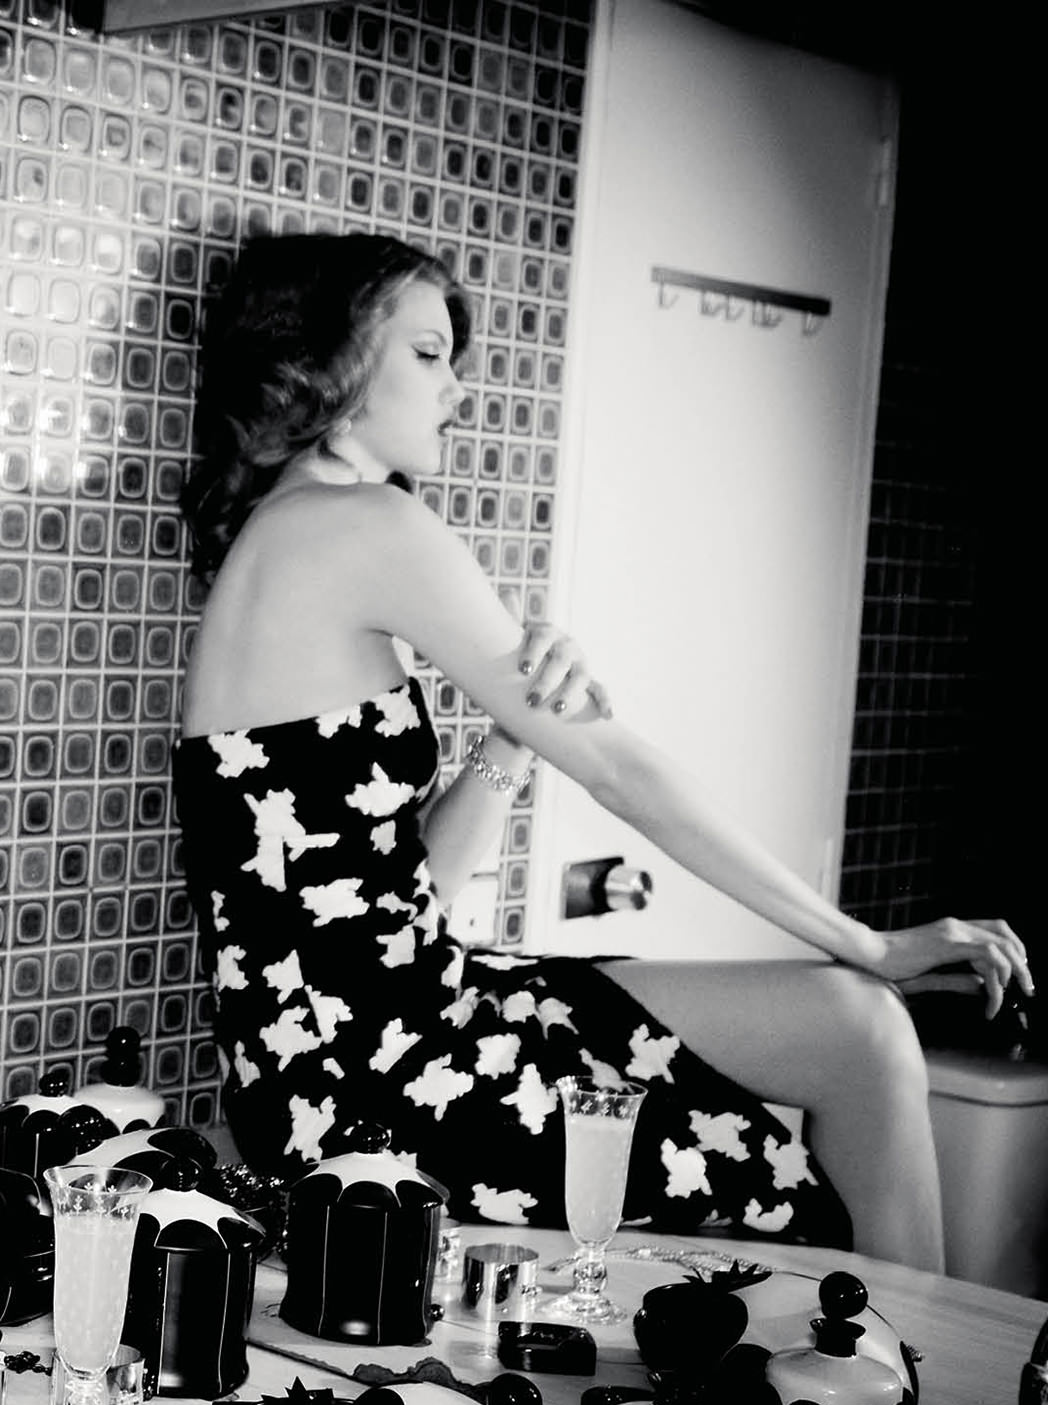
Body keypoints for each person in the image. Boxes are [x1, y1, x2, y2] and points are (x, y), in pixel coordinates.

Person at [170, 232, 1031, 1272]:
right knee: (843, 1049)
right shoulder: (356, 524)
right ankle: (919, 1364)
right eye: (428, 354)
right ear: (330, 365)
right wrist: (869, 942)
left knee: (859, 1030)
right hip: (375, 1081)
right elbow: (619, 771)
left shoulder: (290, 535)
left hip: (365, 1045)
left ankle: (905, 1351)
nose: (456, 390)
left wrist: (514, 733)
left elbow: (407, 897)